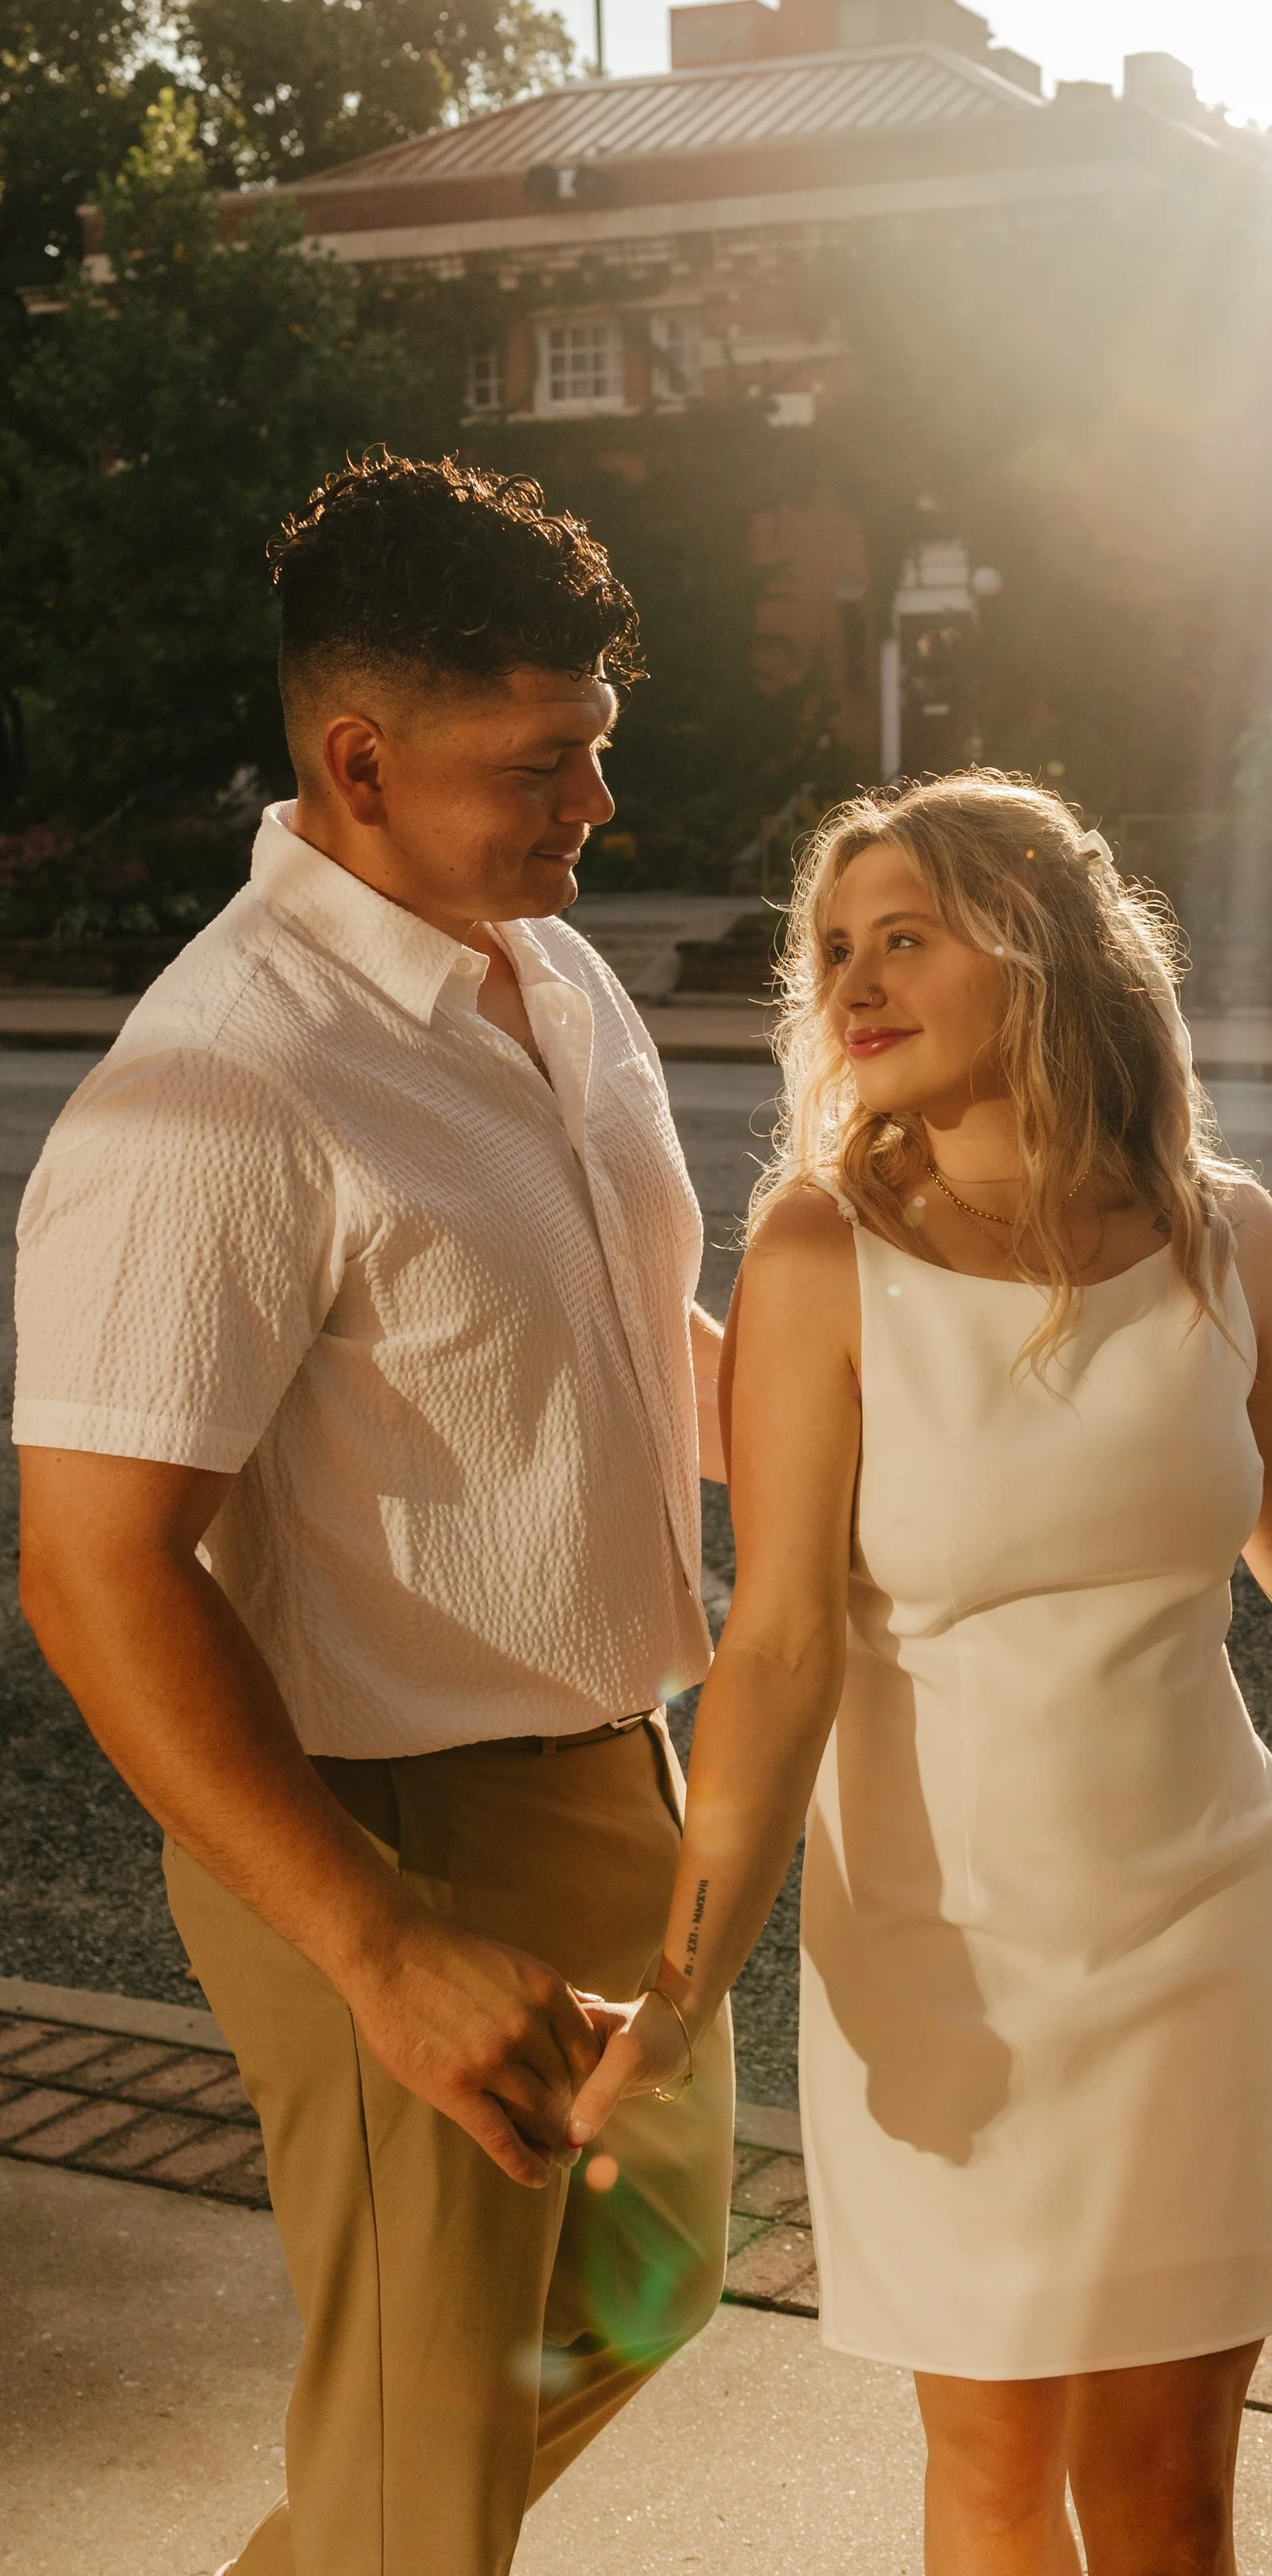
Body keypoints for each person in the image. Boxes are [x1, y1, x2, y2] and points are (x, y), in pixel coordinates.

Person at [568, 770, 1272, 2576]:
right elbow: (778, 1647)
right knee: (993, 2481)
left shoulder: (1221, 1235)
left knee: (1162, 2503)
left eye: (904, 937)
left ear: (1044, 954)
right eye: (832, 950)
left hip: (1200, 1929)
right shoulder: (824, 1255)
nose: (852, 984)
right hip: (939, 1951)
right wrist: (683, 1989)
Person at [14, 453, 734, 2576]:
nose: (593, 801)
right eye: (542, 761)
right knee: (431, 2482)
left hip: (611, 1772)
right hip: (380, 1829)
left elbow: (623, 1327)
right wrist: (377, 1939)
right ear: (357, 759)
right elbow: (93, 1562)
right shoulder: (217, 1086)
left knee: (657, 2272)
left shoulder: (547, 974)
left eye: (599, 744)